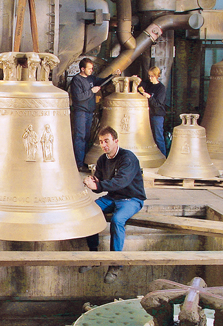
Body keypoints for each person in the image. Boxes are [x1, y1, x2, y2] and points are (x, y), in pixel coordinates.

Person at [81, 125, 146, 284]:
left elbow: (120, 182)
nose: (104, 145)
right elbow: (100, 183)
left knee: (117, 220)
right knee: (90, 212)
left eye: (107, 141)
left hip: (131, 199)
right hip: (113, 197)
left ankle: (115, 264)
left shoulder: (128, 158)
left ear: (116, 141)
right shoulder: (103, 159)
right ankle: (94, 255)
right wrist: (92, 183)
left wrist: (99, 186)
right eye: (101, 142)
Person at [69, 58, 119, 172]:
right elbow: (78, 97)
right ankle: (78, 163)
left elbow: (102, 81)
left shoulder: (92, 78)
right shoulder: (76, 80)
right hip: (80, 112)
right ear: (82, 69)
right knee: (80, 137)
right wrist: (91, 91)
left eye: (92, 68)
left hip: (89, 112)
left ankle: (84, 161)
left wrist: (113, 75)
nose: (91, 70)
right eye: (89, 68)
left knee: (87, 137)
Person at [139, 66, 168, 157]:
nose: (150, 78)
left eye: (152, 76)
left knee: (158, 137)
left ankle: (163, 157)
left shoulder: (161, 88)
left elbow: (158, 104)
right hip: (147, 115)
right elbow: (141, 84)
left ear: (157, 76)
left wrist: (149, 97)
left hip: (157, 115)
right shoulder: (148, 84)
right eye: (149, 76)